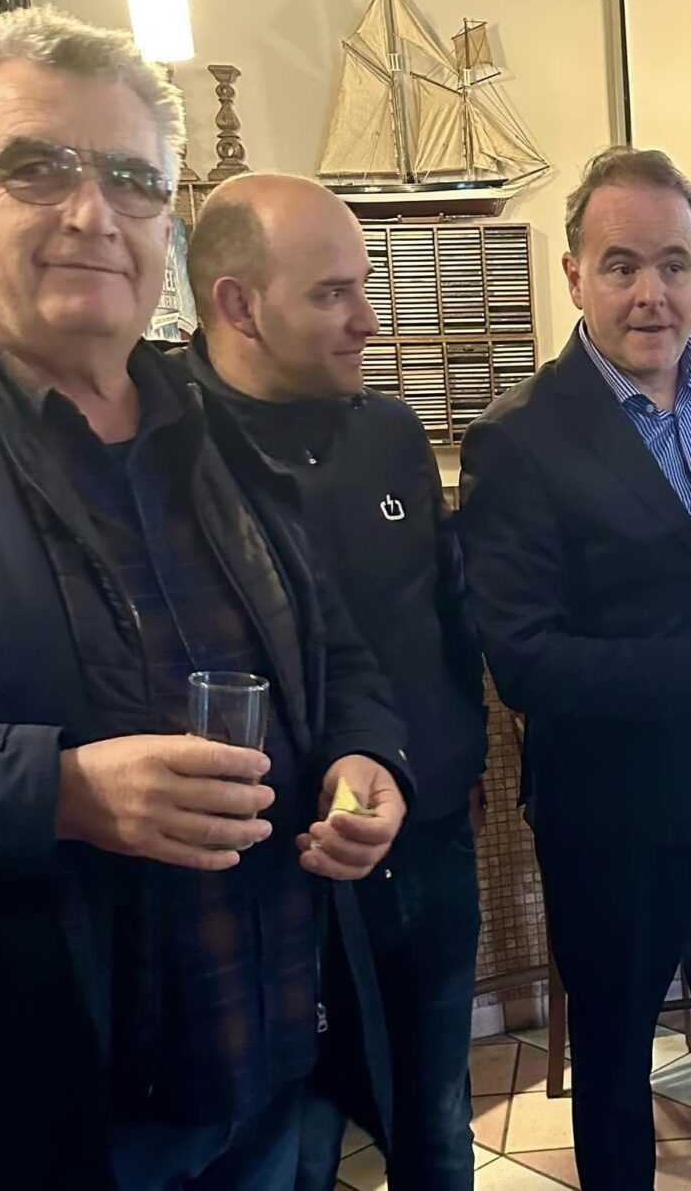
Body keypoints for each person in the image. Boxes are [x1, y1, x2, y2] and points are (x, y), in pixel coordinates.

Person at [0, 10, 410, 1188]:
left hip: (272, 1070)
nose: (94, 213)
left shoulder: (224, 432)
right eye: (38, 167)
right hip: (31, 1112)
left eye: (132, 181)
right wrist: (54, 791)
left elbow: (337, 653)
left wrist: (365, 759)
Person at [458, 145, 691, 1191]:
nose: (650, 292)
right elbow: (526, 661)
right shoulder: (517, 439)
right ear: (574, 273)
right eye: (621, 265)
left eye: (673, 264)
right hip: (613, 814)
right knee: (613, 1064)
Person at [181, 173, 490, 1189]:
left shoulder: (390, 433)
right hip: (265, 884)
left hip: (426, 846)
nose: (368, 320)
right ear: (238, 306)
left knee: (435, 1126)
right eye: (331, 294)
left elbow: (444, 620)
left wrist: (453, 771)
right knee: (288, 1150)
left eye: (364, 286)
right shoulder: (170, 453)